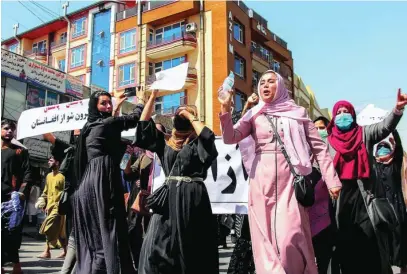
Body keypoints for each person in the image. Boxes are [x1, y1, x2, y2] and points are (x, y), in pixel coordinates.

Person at [219, 70, 342, 274]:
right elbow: (230, 137)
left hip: (291, 183)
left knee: (290, 238)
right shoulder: (253, 114)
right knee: (266, 242)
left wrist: (332, 180)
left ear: (281, 86)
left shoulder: (298, 113)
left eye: (271, 81)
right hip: (261, 183)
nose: (265, 85)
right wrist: (224, 108)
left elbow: (319, 148)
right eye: (262, 82)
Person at [135, 90, 219, 274]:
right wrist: (151, 98)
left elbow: (208, 136)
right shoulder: (164, 143)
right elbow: (142, 127)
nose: (181, 115)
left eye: (186, 114)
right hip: (169, 198)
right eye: (179, 114)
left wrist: (190, 114)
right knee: (159, 244)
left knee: (193, 245)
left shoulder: (198, 143)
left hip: (193, 199)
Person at [326, 89, 406, 274]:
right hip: (340, 199)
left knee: (370, 242)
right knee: (346, 244)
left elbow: (384, 127)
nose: (342, 115)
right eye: (338, 112)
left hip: (365, 196)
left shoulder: (364, 133)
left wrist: (397, 110)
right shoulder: (328, 142)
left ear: (353, 115)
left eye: (346, 112)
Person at [72, 91, 144, 274]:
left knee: (98, 238)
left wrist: (117, 105)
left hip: (88, 184)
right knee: (107, 234)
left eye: (109, 103)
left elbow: (111, 129)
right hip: (102, 182)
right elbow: (134, 118)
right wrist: (142, 100)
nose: (108, 106)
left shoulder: (89, 126)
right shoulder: (107, 123)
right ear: (95, 106)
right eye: (103, 103)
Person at [227, 93, 259, 274]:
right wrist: (247, 105)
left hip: (265, 188)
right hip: (245, 192)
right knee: (244, 238)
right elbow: (233, 129)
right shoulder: (242, 139)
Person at [1, 119, 32, 274]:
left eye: (12, 129)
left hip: (11, 200)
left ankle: (16, 266)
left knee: (11, 233)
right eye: (6, 128)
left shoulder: (20, 151)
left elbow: (27, 174)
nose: (9, 131)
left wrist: (20, 192)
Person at [374, 131, 407, 272]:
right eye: (379, 148)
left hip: (396, 205)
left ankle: (403, 266)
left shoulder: (395, 163)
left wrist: (391, 127)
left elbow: (398, 147)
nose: (382, 150)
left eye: (385, 147)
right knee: (383, 240)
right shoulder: (373, 165)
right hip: (381, 207)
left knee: (400, 237)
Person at [310, 116, 336, 274]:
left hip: (330, 215)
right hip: (311, 216)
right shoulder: (305, 153)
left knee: (325, 256)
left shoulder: (335, 151)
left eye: (321, 128)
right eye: (315, 128)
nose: (318, 132)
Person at [37, 156, 67, 259]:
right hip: (49, 208)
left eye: (51, 160)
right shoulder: (48, 176)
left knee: (48, 227)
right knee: (58, 232)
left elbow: (65, 193)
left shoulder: (63, 176)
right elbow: (46, 191)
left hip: (59, 208)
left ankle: (47, 251)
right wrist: (43, 202)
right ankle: (65, 251)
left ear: (57, 162)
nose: (48, 162)